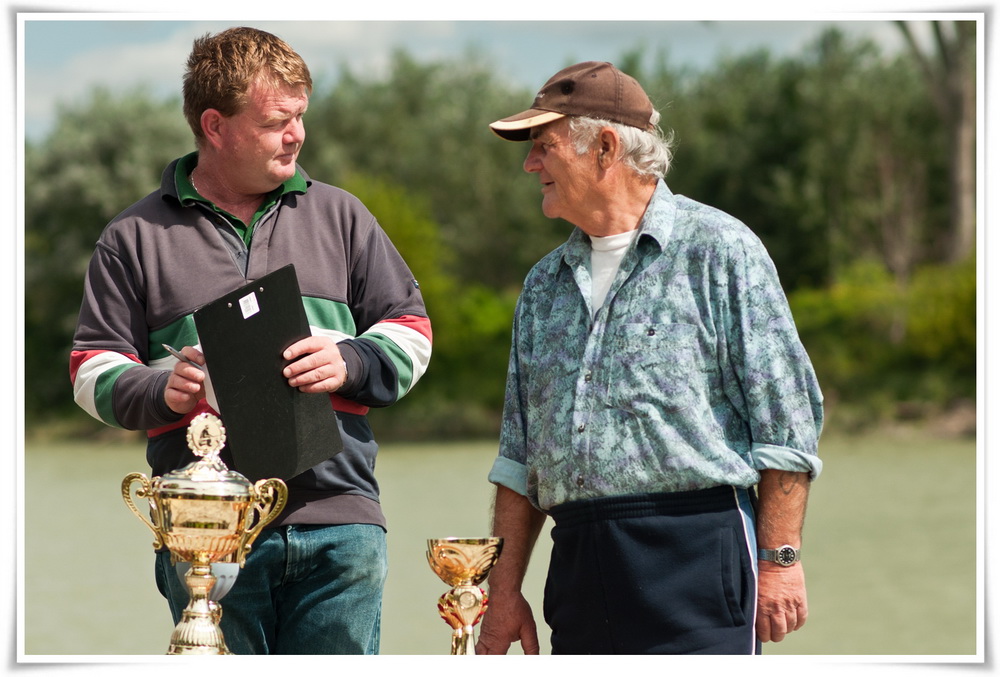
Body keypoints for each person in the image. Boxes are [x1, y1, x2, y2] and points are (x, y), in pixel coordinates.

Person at [69, 27, 432, 654]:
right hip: (205, 534)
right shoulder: (132, 236)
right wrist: (160, 389)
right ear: (215, 126)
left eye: (299, 117)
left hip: (341, 524)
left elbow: (413, 331)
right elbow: (88, 369)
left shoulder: (343, 215)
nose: (296, 135)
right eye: (275, 122)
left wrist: (349, 360)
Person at [477, 61, 823, 655]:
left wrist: (780, 561)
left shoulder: (721, 249)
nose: (531, 164)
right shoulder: (542, 286)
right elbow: (519, 458)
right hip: (577, 571)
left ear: (605, 148)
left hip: (700, 559)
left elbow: (786, 423)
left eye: (544, 146)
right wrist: (502, 592)